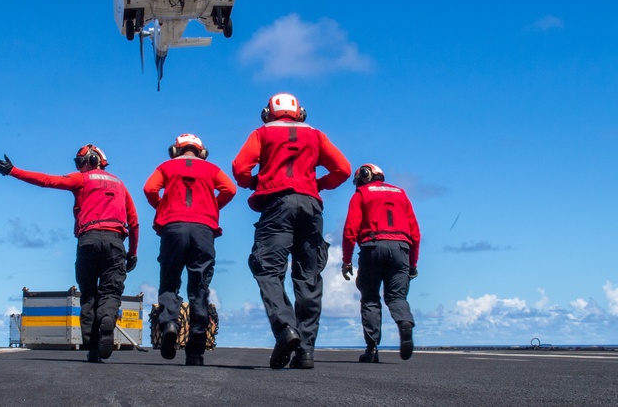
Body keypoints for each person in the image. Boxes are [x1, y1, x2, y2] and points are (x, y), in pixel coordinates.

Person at [231, 93, 351, 369]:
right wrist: (318, 184)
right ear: (300, 113)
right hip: (311, 206)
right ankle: (306, 351)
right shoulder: (316, 135)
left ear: (267, 113)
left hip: (277, 205)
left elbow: (239, 168)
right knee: (309, 276)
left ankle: (285, 329)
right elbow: (343, 169)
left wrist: (255, 182)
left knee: (268, 270)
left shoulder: (261, 134)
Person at [0, 145, 139, 363]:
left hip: (88, 240)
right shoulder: (121, 185)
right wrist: (133, 253)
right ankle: (107, 317)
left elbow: (47, 180)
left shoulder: (82, 179)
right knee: (111, 291)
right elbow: (135, 222)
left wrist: (13, 171)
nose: (78, 166)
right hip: (115, 242)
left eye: (80, 161)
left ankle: (92, 349)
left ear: (92, 160)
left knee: (89, 294)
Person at [143, 133, 236, 366]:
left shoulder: (166, 166)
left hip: (173, 228)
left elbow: (149, 189)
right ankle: (195, 352)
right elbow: (230, 190)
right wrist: (213, 206)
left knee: (169, 281)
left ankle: (170, 324)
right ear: (201, 151)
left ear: (175, 150)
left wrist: (163, 206)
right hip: (203, 231)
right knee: (199, 288)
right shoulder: (212, 169)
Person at [341, 163, 421, 363]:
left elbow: (350, 229)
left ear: (364, 176)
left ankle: (372, 348)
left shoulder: (361, 193)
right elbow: (416, 234)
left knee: (370, 299)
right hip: (402, 249)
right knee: (396, 297)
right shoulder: (401, 193)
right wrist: (413, 264)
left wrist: (346, 261)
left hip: (372, 248)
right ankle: (404, 323)